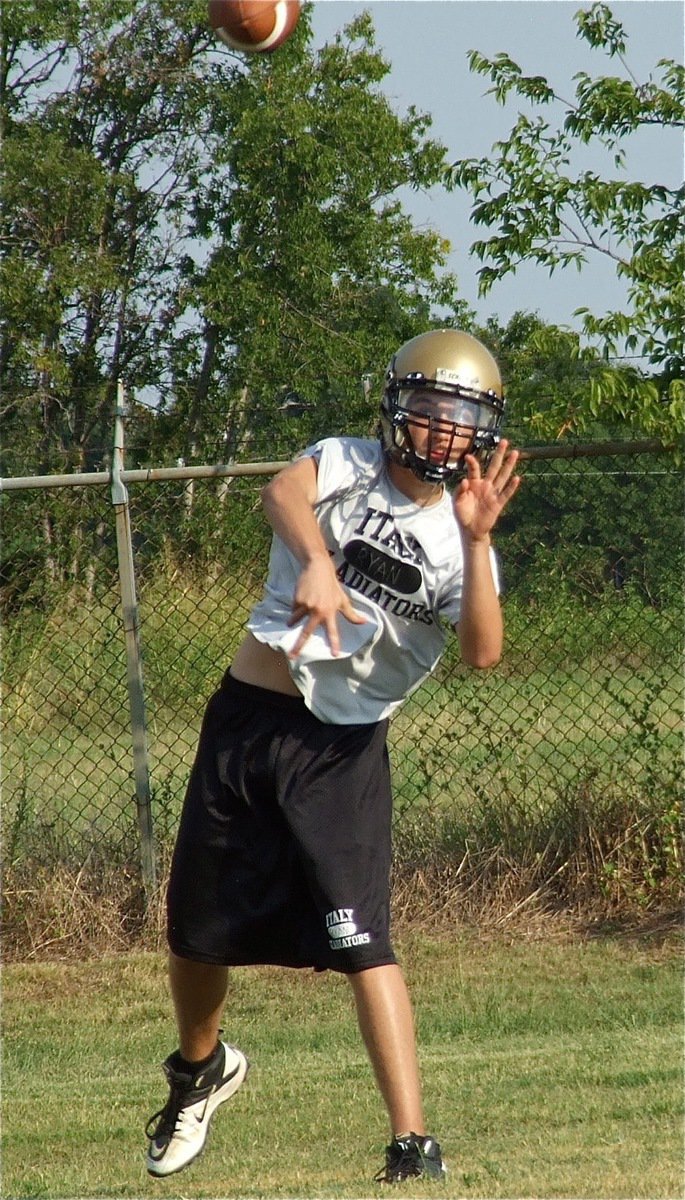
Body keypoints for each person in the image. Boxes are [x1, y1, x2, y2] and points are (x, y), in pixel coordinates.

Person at [145, 329, 521, 1183]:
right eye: (427, 408)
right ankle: (199, 1070)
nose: (441, 429)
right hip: (248, 720)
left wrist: (475, 541)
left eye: (460, 417)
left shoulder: (459, 535)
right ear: (395, 407)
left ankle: (411, 1142)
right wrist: (315, 561)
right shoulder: (345, 463)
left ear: (480, 433)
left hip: (339, 749)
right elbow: (281, 491)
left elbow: (482, 652)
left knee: (362, 941)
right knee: (196, 932)